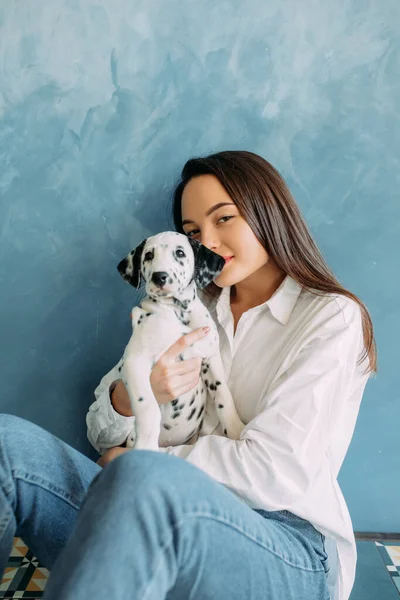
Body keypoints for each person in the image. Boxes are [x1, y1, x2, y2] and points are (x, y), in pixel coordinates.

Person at [0, 151, 376, 600]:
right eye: (194, 232)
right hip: (144, 510)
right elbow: (105, 438)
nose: (208, 241)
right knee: (7, 446)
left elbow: (274, 472)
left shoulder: (330, 318)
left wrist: (144, 463)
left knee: (142, 479)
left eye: (224, 219)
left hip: (286, 543)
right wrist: (132, 397)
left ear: (267, 213)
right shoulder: (185, 307)